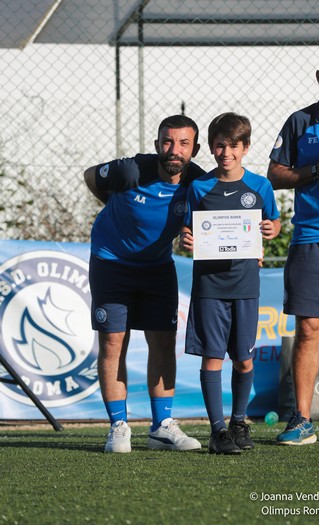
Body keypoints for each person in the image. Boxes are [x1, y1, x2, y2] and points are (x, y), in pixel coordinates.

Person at [84, 115, 204, 453]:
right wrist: (113, 204)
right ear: (156, 145)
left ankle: (161, 426)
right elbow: (91, 177)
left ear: (194, 149)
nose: (174, 150)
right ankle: (118, 426)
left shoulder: (198, 183)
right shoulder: (130, 171)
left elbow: (206, 222)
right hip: (112, 263)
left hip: (157, 267)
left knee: (164, 343)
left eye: (183, 143)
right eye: (167, 141)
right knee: (113, 344)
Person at [180, 112, 280, 454]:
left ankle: (239, 422)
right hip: (209, 287)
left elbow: (274, 223)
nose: (227, 153)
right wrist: (187, 238)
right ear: (210, 147)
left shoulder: (260, 186)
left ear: (246, 147)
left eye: (234, 146)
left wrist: (270, 231)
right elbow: (187, 229)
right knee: (212, 358)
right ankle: (217, 431)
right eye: (220, 145)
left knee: (244, 359)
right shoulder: (199, 187)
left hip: (246, 285)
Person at [267, 46, 319, 445]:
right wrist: (315, 170)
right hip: (310, 240)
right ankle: (301, 419)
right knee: (308, 329)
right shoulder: (300, 121)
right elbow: (274, 173)